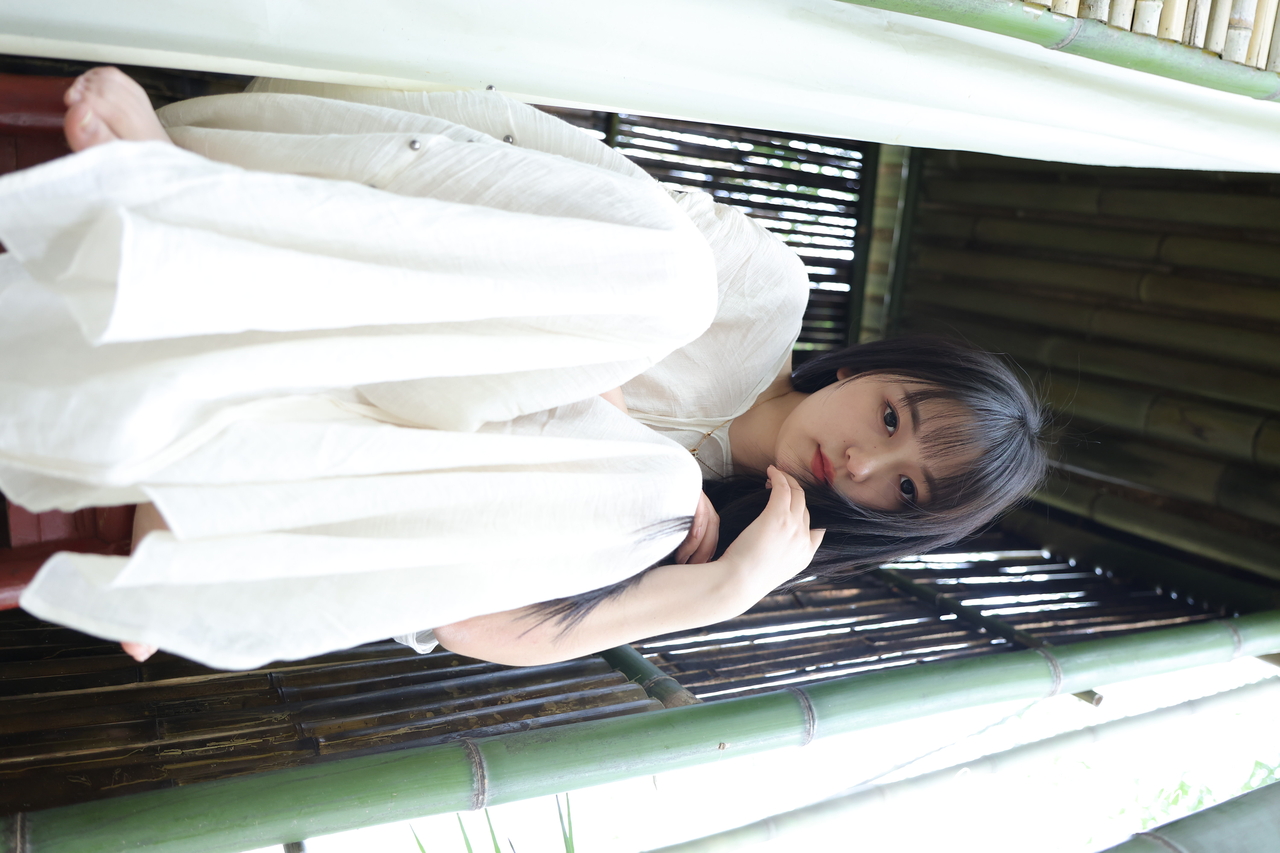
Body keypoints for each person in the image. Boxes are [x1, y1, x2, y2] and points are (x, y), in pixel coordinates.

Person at [0, 69, 1045, 670]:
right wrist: (591, 390)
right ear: (869, 369)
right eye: (894, 417)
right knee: (665, 285)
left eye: (903, 488)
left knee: (646, 492)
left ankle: (226, 518)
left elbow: (470, 621)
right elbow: (527, 180)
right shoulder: (762, 291)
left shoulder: (688, 533)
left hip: (335, 438)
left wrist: (717, 592)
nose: (862, 462)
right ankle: (181, 197)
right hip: (336, 250)